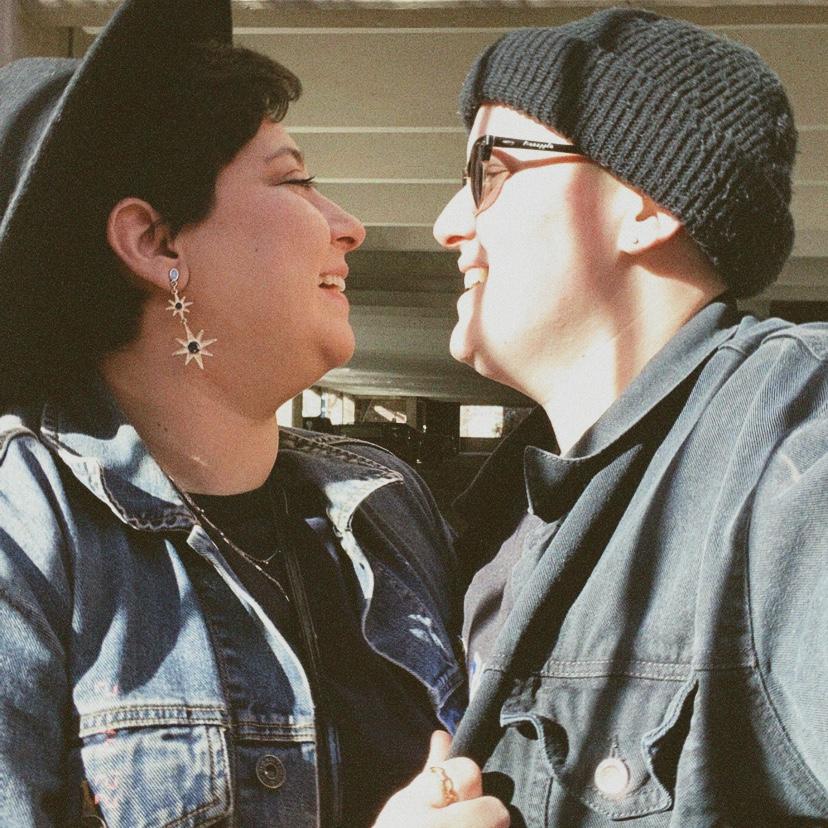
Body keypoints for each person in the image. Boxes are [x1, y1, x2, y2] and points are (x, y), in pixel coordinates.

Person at [0, 1, 512, 826]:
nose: (349, 226)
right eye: (295, 181)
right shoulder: (24, 527)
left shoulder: (383, 500)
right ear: (157, 244)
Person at [433, 8, 828, 827]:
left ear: (646, 205)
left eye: (491, 169)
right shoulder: (504, 531)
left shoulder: (789, 440)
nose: (449, 224)